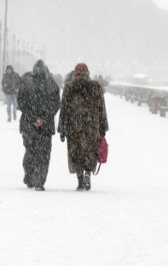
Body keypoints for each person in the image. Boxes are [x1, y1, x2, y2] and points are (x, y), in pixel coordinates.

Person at [57, 63, 109, 191]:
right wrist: (103, 127)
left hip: (74, 127)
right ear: (88, 73)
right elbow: (102, 109)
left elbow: (64, 109)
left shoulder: (69, 87)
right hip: (91, 126)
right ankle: (87, 175)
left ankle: (80, 179)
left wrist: (62, 129)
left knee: (76, 152)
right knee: (90, 152)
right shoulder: (95, 87)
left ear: (75, 73)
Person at [17, 59, 60, 191]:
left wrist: (33, 118)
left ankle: (30, 176)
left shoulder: (26, 82)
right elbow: (55, 105)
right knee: (44, 154)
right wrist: (43, 119)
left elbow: (21, 103)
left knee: (30, 152)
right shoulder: (52, 85)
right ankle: (39, 181)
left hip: (28, 125)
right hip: (46, 127)